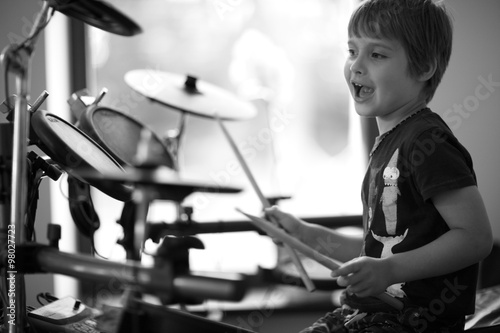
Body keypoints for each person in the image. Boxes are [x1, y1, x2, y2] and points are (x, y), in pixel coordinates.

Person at [265, 0, 493, 331]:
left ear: (424, 66)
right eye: (352, 50)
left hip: (412, 320)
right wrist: (303, 234)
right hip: (368, 312)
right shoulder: (391, 143)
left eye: (377, 55)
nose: (356, 66)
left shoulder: (427, 143)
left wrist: (390, 271)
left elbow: (475, 239)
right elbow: (379, 251)